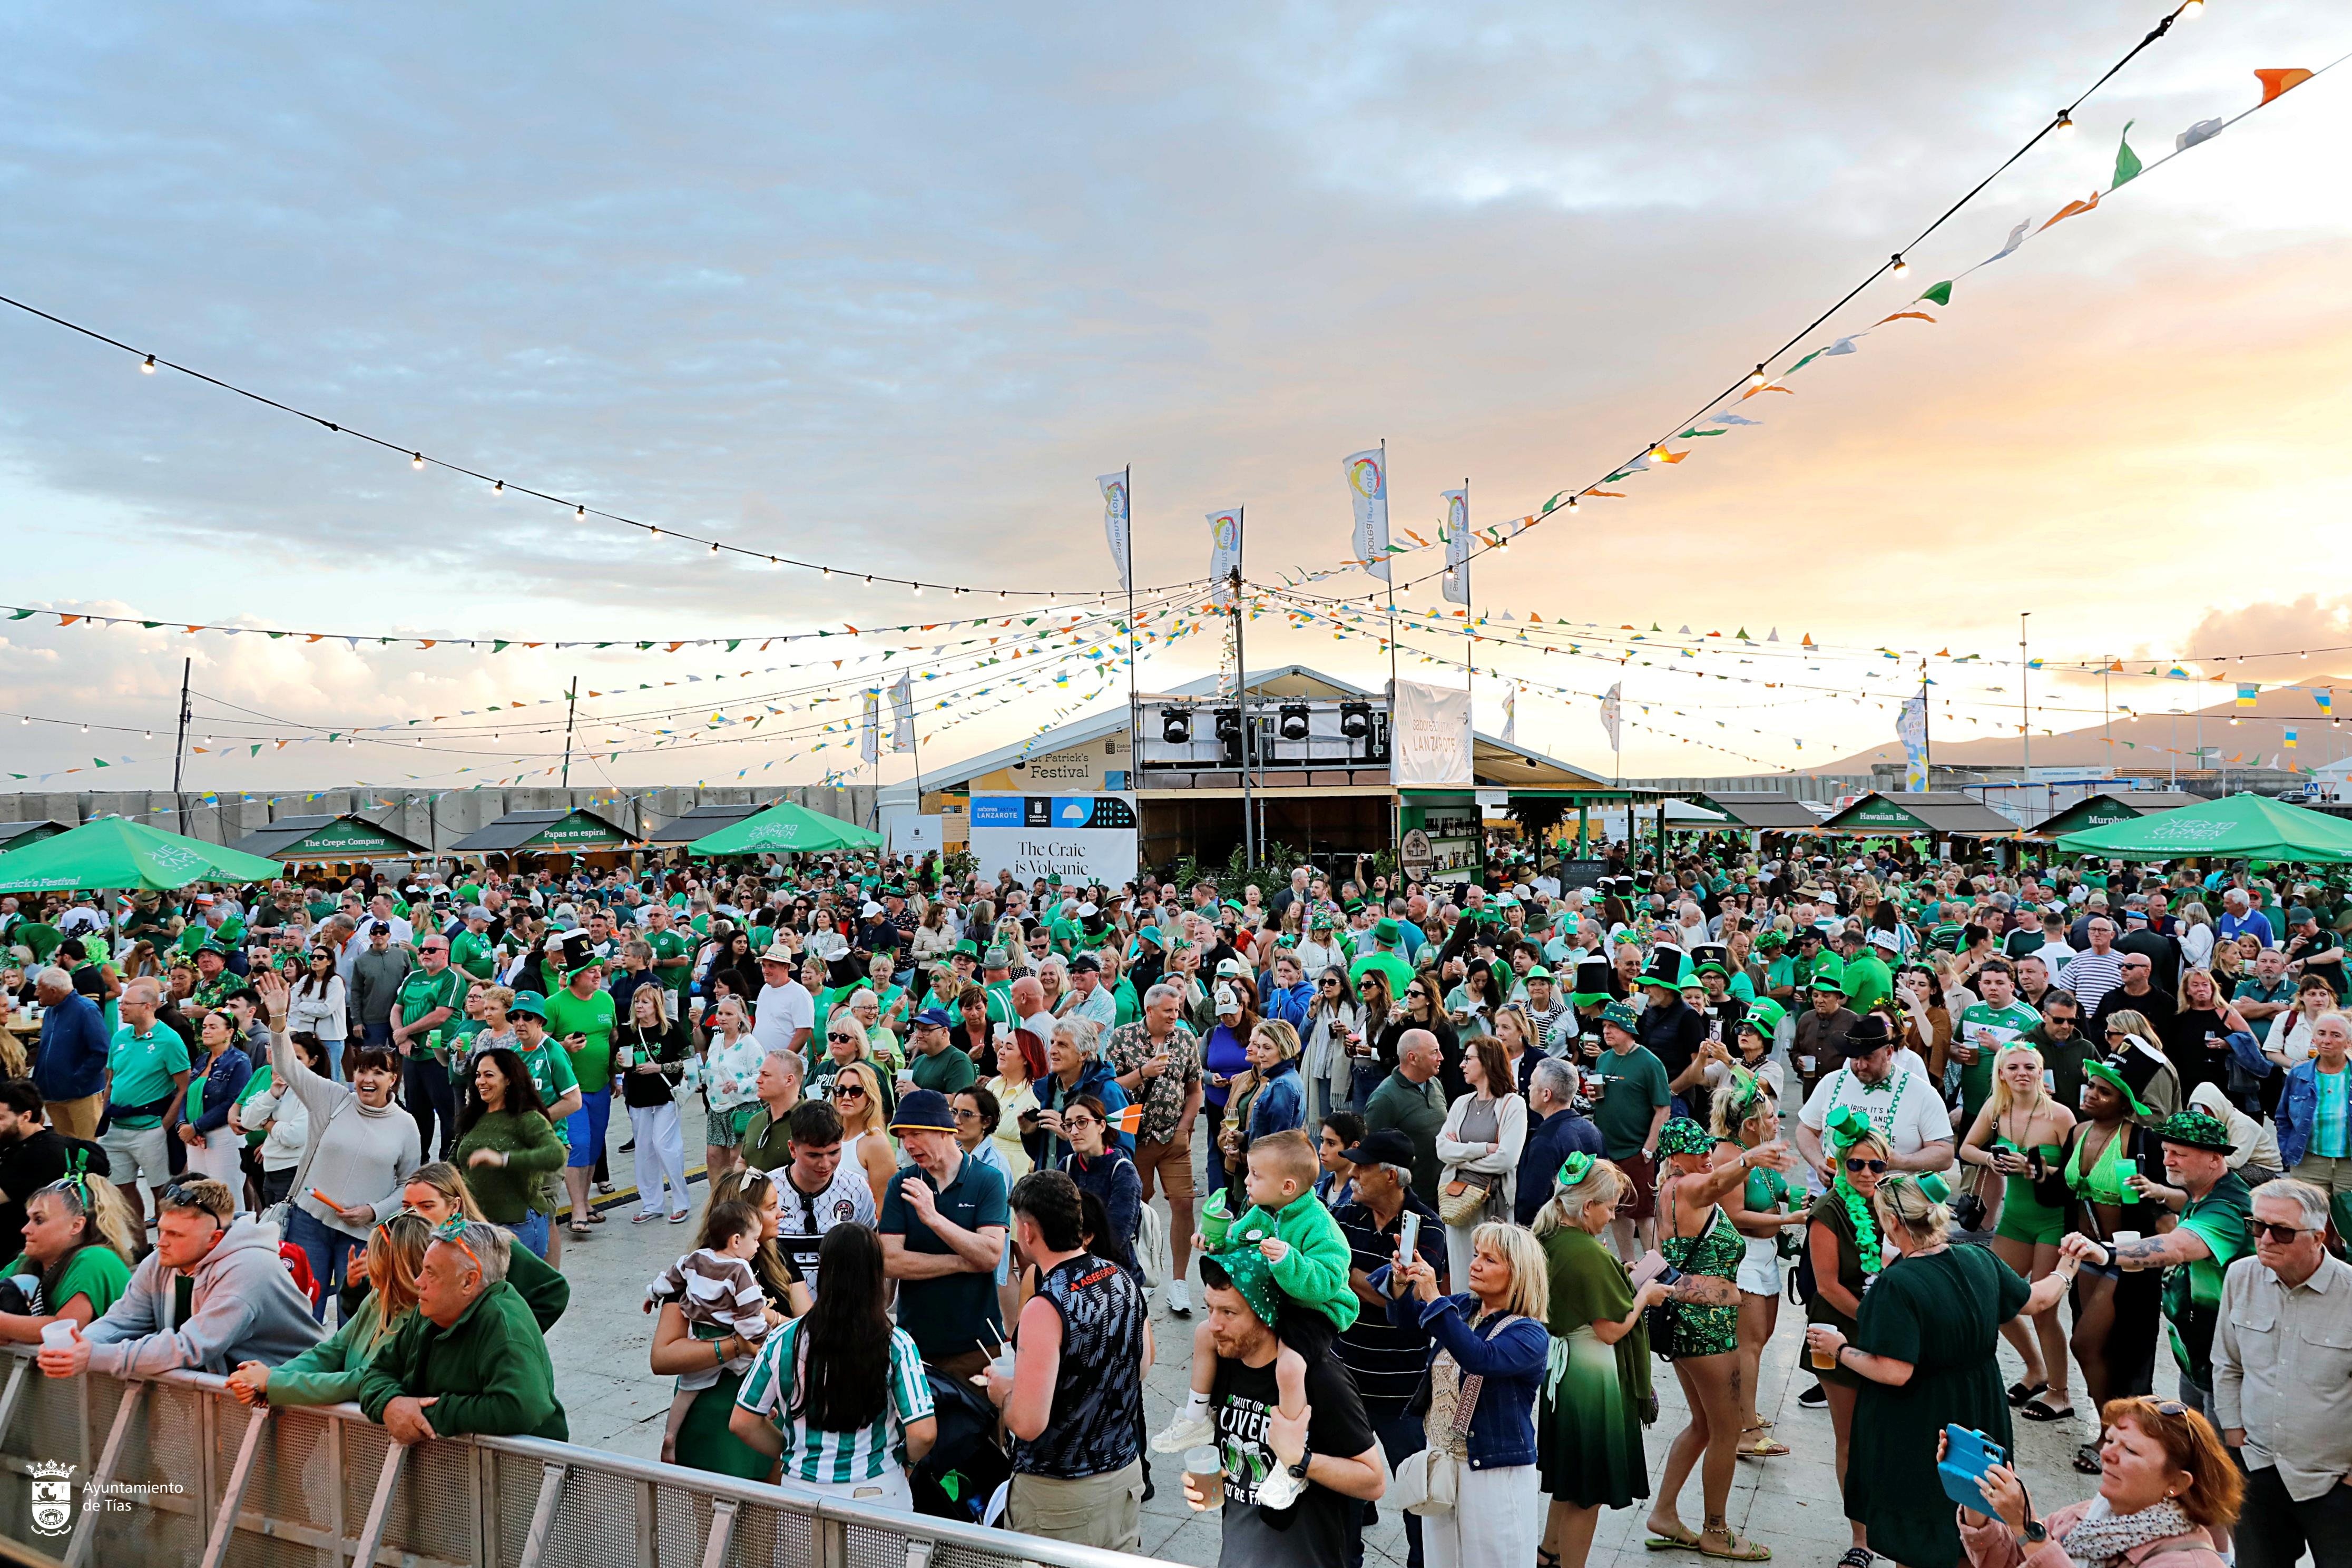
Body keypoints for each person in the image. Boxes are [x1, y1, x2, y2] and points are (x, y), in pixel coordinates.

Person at [1808, 1172, 2075, 1568]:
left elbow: (1894, 1371)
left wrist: (1841, 1349)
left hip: (1920, 1418)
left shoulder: (1897, 1284)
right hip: (1980, 1404)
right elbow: (2036, 1300)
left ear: (1893, 1223)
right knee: (1975, 1516)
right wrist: (2067, 1268)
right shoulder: (1979, 1258)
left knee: (1919, 1535)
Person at [1185, 1249, 1387, 1568]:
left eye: (1229, 1313)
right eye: (1209, 1309)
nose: (1214, 1325)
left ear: (1265, 1314)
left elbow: (1373, 1481)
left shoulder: (1318, 1377)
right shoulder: (1226, 1365)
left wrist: (1303, 1461)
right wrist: (1213, 1481)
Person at [985, 1169, 1150, 1550]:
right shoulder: (1121, 1278)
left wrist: (1004, 1394)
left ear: (1027, 1232)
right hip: (1124, 1476)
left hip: (1060, 1497)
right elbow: (1140, 1365)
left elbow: (1027, 1423)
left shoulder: (1045, 1306)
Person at [1643, 1116, 1782, 1562]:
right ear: (1673, 1158)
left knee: (1703, 1425)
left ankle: (1664, 1514)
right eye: (1694, 1148)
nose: (1705, 1153)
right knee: (1726, 1430)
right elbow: (1716, 1183)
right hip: (1704, 1331)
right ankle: (1716, 1531)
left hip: (1689, 1325)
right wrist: (1749, 1157)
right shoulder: (1684, 1189)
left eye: (1706, 1145)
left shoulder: (1674, 1192)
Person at [2062, 1110, 2254, 1426]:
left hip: (2227, 1365)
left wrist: (2105, 1252)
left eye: (2180, 1153)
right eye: (2166, 1151)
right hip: (2198, 1357)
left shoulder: (2227, 1206)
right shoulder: (2202, 1193)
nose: (2167, 1161)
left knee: (2223, 1461)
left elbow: (2177, 1246)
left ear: (2215, 1158)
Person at [728, 1221, 934, 1508]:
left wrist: (790, 1453)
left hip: (800, 1494)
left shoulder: (782, 1340)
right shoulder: (896, 1344)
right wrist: (907, 1463)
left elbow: (743, 1422)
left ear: (824, 1271)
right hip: (879, 1492)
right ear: (876, 1275)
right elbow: (923, 1432)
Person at [252, 969, 420, 1319]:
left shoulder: (406, 1125)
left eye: (378, 1072)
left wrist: (374, 1212)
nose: (367, 1079)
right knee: (300, 1308)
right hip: (308, 1222)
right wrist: (279, 1019)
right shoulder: (332, 1097)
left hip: (361, 1235)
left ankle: (348, 1374)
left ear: (394, 1079)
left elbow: (408, 1186)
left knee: (355, 1318)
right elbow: (287, 1065)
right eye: (361, 1070)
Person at [1385, 1220, 1553, 1568]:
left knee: (1495, 1560)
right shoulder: (1463, 1307)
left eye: (1490, 1260)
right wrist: (1402, 1285)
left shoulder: (1530, 1334)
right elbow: (1407, 1322)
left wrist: (1433, 1295)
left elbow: (1479, 1358)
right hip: (1443, 1459)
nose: (1474, 1263)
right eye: (1477, 1254)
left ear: (1518, 1273)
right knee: (1441, 1561)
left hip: (1492, 1468)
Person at [37, 1177, 322, 1380]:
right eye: (162, 1230)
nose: (161, 1242)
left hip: (291, 1387)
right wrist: (79, 1345)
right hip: (232, 1387)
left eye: (176, 1235)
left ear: (214, 1239)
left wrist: (93, 1357)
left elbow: (190, 1347)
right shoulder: (161, 1261)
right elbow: (123, 1320)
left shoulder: (250, 1269)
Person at [2210, 1177, 2352, 1566]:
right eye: (2258, 1226)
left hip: (2335, 1482)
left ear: (2318, 1237)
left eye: (2282, 1231)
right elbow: (2227, 1362)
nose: (2265, 1239)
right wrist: (2235, 1436)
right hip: (2258, 1468)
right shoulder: (2241, 1276)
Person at [1532, 1154, 1662, 1568]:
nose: (1612, 1216)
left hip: (1562, 1371)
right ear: (1587, 1206)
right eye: (1608, 1207)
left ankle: (1548, 1554)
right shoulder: (1587, 1252)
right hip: (1590, 1379)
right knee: (1587, 1494)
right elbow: (1610, 1329)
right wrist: (1644, 1295)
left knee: (1569, 1481)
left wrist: (1618, 1275)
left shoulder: (1550, 1237)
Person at [1329, 1129, 1446, 1568]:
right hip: (1346, 1377)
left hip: (1401, 1388)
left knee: (1416, 1488)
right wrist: (1375, 1280)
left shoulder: (1427, 1227)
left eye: (1363, 1167)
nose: (1353, 1173)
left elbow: (1401, 1297)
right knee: (1346, 1486)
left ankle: (1424, 1561)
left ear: (1393, 1178)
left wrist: (1356, 1277)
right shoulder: (1345, 1217)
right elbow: (1335, 1274)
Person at [1953, 1396, 2239, 1568]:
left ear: (2177, 1482)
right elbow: (2007, 1562)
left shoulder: (2189, 1562)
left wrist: (2026, 1527)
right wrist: (1975, 1494)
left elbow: (2032, 1549)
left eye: (2130, 1450)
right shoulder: (2088, 1517)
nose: (2107, 1454)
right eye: (2110, 1440)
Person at [357, 1217, 567, 1442]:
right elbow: (378, 1371)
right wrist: (391, 1404)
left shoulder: (504, 1327)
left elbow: (522, 1408)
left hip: (520, 1470)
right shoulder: (431, 1311)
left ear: (469, 1282)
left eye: (431, 1273)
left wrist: (425, 1413)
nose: (419, 1282)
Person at [1957, 1043, 2077, 1423]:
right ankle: (2035, 1370)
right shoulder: (1997, 1109)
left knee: (2042, 1310)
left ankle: (2061, 1393)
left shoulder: (2060, 1116)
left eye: (2030, 1066)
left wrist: (2037, 1170)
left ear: (2041, 1073)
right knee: (1993, 1297)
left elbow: (2078, 1176)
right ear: (2002, 1073)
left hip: (2053, 1222)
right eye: (2014, 1067)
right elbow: (1967, 1149)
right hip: (2015, 1219)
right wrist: (1993, 1159)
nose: (2022, 1073)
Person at [226, 1212, 430, 1409]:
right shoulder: (378, 1297)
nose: (370, 1267)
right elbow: (333, 1350)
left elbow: (362, 1379)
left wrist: (273, 1382)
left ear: (395, 1268)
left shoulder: (423, 1317)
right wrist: (268, 1378)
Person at [878, 1088, 1009, 1378]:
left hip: (976, 1345)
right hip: (915, 1343)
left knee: (979, 1423)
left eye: (916, 1134)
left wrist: (934, 1218)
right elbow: (890, 1260)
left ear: (944, 1130)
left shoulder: (988, 1180)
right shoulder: (902, 1183)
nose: (908, 1145)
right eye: (902, 1137)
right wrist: (963, 1262)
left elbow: (989, 1255)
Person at [1710, 1071, 1806, 1459]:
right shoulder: (1729, 1157)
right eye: (1769, 1117)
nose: (1777, 1122)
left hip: (1766, 1257)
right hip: (1743, 1258)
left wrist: (1803, 1195)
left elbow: (1781, 1191)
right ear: (1750, 1125)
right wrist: (1787, 1220)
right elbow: (1735, 1216)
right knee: (1747, 1346)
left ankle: (1742, 1409)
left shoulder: (1761, 1153)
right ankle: (1744, 1430)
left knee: (1760, 1339)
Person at [646, 1199, 776, 1463]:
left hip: (700, 1336)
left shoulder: (696, 1258)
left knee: (687, 1391)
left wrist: (652, 1294)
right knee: (757, 1373)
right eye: (755, 1239)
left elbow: (670, 1279)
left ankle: (671, 1435)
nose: (758, 1245)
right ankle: (766, 1412)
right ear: (736, 1240)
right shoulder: (741, 1270)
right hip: (731, 1338)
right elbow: (750, 1313)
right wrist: (762, 1339)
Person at [449, 1046, 566, 1259]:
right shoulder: (474, 1117)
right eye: (478, 1075)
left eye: (489, 1075)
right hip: (477, 1225)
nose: (480, 1082)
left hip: (519, 1226)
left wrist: (503, 1159)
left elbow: (556, 1154)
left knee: (519, 1292)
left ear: (509, 1080)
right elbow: (453, 1164)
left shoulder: (527, 1118)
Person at [98, 975, 192, 1232]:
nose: (121, 1007)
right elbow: (111, 1080)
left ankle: (167, 1243)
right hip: (116, 1127)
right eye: (121, 1003)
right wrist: (105, 1111)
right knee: (121, 1188)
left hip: (150, 1128)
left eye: (127, 1003)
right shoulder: (120, 1038)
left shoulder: (169, 1040)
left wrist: (164, 1126)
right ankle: (140, 1245)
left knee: (161, 1191)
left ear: (148, 1006)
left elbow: (184, 1087)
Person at [0, 1173, 136, 1344]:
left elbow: (65, 1328)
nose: (26, 1229)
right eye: (30, 1219)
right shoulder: (29, 1260)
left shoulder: (95, 1259)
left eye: (39, 1220)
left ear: (76, 1225)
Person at [1433, 1035, 1525, 1285]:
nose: (1462, 1065)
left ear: (1486, 1062)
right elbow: (1442, 1149)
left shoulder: (1513, 1105)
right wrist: (1484, 1148)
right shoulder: (1461, 1103)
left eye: (1468, 1059)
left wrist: (1460, 1157)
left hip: (1493, 1205)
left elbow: (1506, 1160)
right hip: (1458, 1202)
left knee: (1491, 1279)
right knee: (1462, 1278)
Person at [1587, 1001, 1671, 1257]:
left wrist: (1648, 1150)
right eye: (1604, 1026)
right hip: (1608, 1151)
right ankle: (1628, 1266)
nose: (1606, 1031)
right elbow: (1604, 1099)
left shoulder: (1650, 1063)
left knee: (1644, 1214)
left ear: (1628, 1029)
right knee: (1616, 1211)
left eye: (1613, 1026)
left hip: (1636, 1151)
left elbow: (1663, 1109)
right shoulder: (1603, 1060)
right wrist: (1593, 1096)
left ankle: (1656, 1270)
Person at [612, 982, 693, 1222]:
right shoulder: (627, 1031)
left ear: (657, 1005)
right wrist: (619, 1062)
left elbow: (689, 1061)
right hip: (638, 1097)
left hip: (667, 1096)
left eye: (645, 1002)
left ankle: (681, 1201)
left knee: (665, 1146)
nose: (639, 1006)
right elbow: (619, 1065)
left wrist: (660, 1067)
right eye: (637, 1001)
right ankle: (652, 1204)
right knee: (644, 1151)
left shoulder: (672, 1029)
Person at [2270, 1008, 2352, 1239]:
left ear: (2348, 1042)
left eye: (2336, 1035)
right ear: (2314, 1038)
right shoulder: (2299, 1074)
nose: (2327, 1040)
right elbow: (2283, 1117)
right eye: (2322, 1033)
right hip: (2308, 1162)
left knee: (2350, 1227)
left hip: (2349, 1164)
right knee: (2306, 1226)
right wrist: (2287, 1151)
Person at [0, 1082, 109, 1254]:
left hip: (26, 1252)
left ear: (26, 1117)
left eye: (1, 1118)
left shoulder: (42, 1153)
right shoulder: (15, 1144)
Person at [390, 933, 468, 1162]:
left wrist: (405, 1032)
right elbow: (397, 1009)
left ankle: (448, 1162)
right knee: (416, 1113)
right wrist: (402, 1038)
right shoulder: (413, 977)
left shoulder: (451, 978)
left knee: (447, 1112)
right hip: (412, 1055)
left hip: (438, 1056)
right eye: (422, 949)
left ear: (446, 953)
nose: (424, 953)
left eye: (431, 950)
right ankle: (418, 1160)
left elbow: (442, 1015)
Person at [1056, 1095, 1142, 1280]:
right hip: (1071, 1269)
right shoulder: (1067, 1165)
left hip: (1116, 1275)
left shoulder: (1123, 1170)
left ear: (1102, 1126)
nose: (1074, 1131)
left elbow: (1118, 1234)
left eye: (1082, 1122)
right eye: (1068, 1124)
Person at [178, 1007, 254, 1202]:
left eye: (213, 1027)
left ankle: (234, 1233)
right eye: (204, 1027)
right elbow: (187, 1094)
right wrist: (182, 1126)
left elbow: (233, 1102)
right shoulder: (203, 1059)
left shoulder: (239, 1061)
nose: (206, 1031)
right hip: (196, 1138)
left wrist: (195, 1127)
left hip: (223, 1135)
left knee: (226, 1195)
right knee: (199, 1194)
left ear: (230, 1032)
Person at [1515, 1057, 1600, 1226]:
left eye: (1532, 1084)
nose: (1529, 1088)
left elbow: (1531, 1201)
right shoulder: (1592, 1132)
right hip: (1585, 1230)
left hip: (1551, 1234)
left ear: (1546, 1094)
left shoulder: (1545, 1141)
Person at [32, 964, 112, 1139]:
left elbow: (102, 1051)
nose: (36, 994)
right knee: (67, 1147)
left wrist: (77, 1079)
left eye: (39, 989)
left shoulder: (86, 1010)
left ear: (53, 991)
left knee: (90, 1145)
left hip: (81, 1096)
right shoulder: (51, 1011)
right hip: (53, 1095)